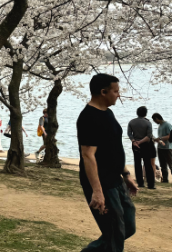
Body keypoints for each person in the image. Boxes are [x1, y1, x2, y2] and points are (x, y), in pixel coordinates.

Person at [77, 73, 137, 251]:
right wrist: (97, 191)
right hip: (102, 183)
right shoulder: (89, 117)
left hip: (116, 180)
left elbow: (113, 148)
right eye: (116, 91)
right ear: (103, 92)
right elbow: (88, 155)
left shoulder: (108, 113)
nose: (119, 95)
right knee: (114, 234)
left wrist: (126, 174)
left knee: (127, 226)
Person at [127, 106, 156, 189]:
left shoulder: (131, 122)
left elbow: (129, 133)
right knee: (147, 164)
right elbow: (149, 136)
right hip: (145, 144)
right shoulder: (147, 123)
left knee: (137, 163)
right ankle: (151, 184)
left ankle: (140, 183)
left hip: (135, 144)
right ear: (145, 113)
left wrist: (134, 141)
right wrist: (140, 142)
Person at [152, 113, 172, 183]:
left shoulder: (167, 125)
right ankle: (165, 180)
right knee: (163, 165)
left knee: (170, 164)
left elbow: (169, 136)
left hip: (167, 147)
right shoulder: (160, 126)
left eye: (154, 120)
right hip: (160, 148)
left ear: (157, 119)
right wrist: (157, 140)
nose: (155, 122)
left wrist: (160, 138)